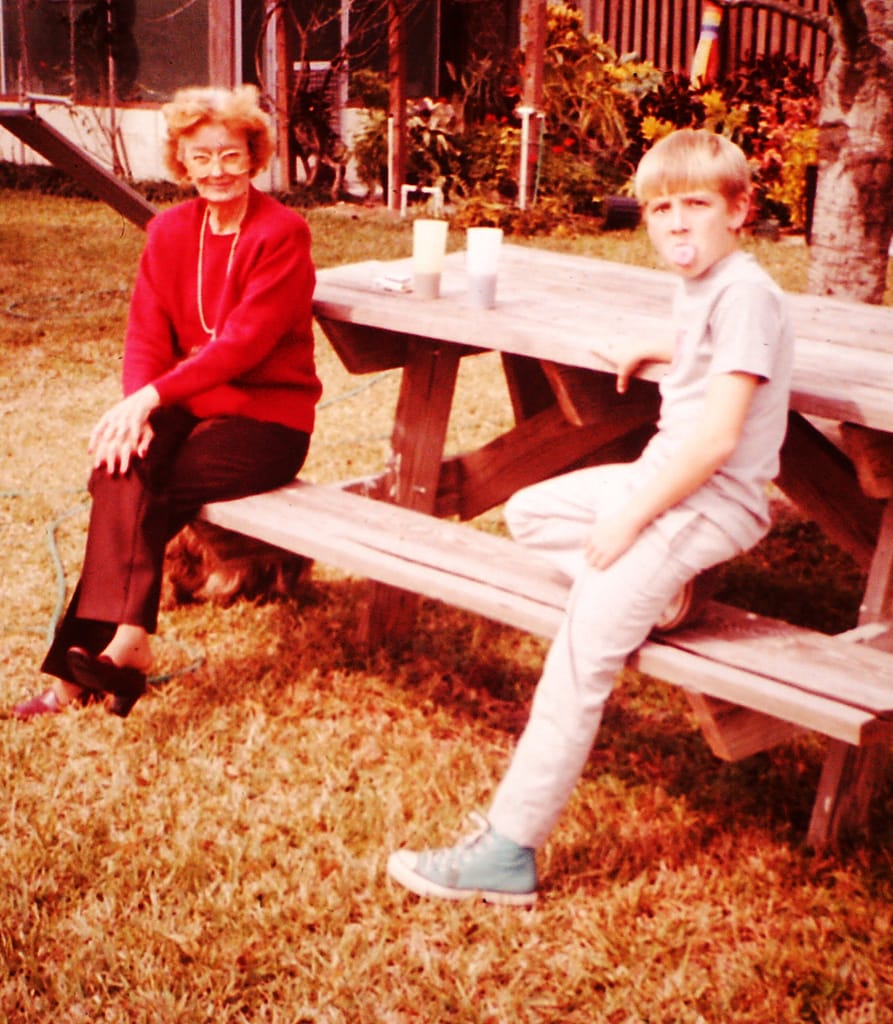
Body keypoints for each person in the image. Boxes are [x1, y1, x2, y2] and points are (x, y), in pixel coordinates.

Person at [386, 128, 795, 904]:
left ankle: (508, 850)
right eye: (660, 209)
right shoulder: (709, 286)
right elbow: (702, 349)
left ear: (740, 211)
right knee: (532, 509)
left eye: (697, 205)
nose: (677, 223)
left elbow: (715, 438)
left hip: (704, 499)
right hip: (668, 482)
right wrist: (655, 347)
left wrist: (629, 520)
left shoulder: (746, 294)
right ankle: (666, 597)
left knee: (581, 653)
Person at [12, 84, 322, 720]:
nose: (216, 171)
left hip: (266, 421)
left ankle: (88, 671)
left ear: (254, 155)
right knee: (120, 467)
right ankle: (126, 646)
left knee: (143, 495)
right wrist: (137, 413)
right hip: (187, 406)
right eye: (200, 157)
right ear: (182, 163)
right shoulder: (170, 231)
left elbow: (242, 345)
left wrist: (152, 398)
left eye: (231, 156)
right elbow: (146, 337)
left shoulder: (283, 234)